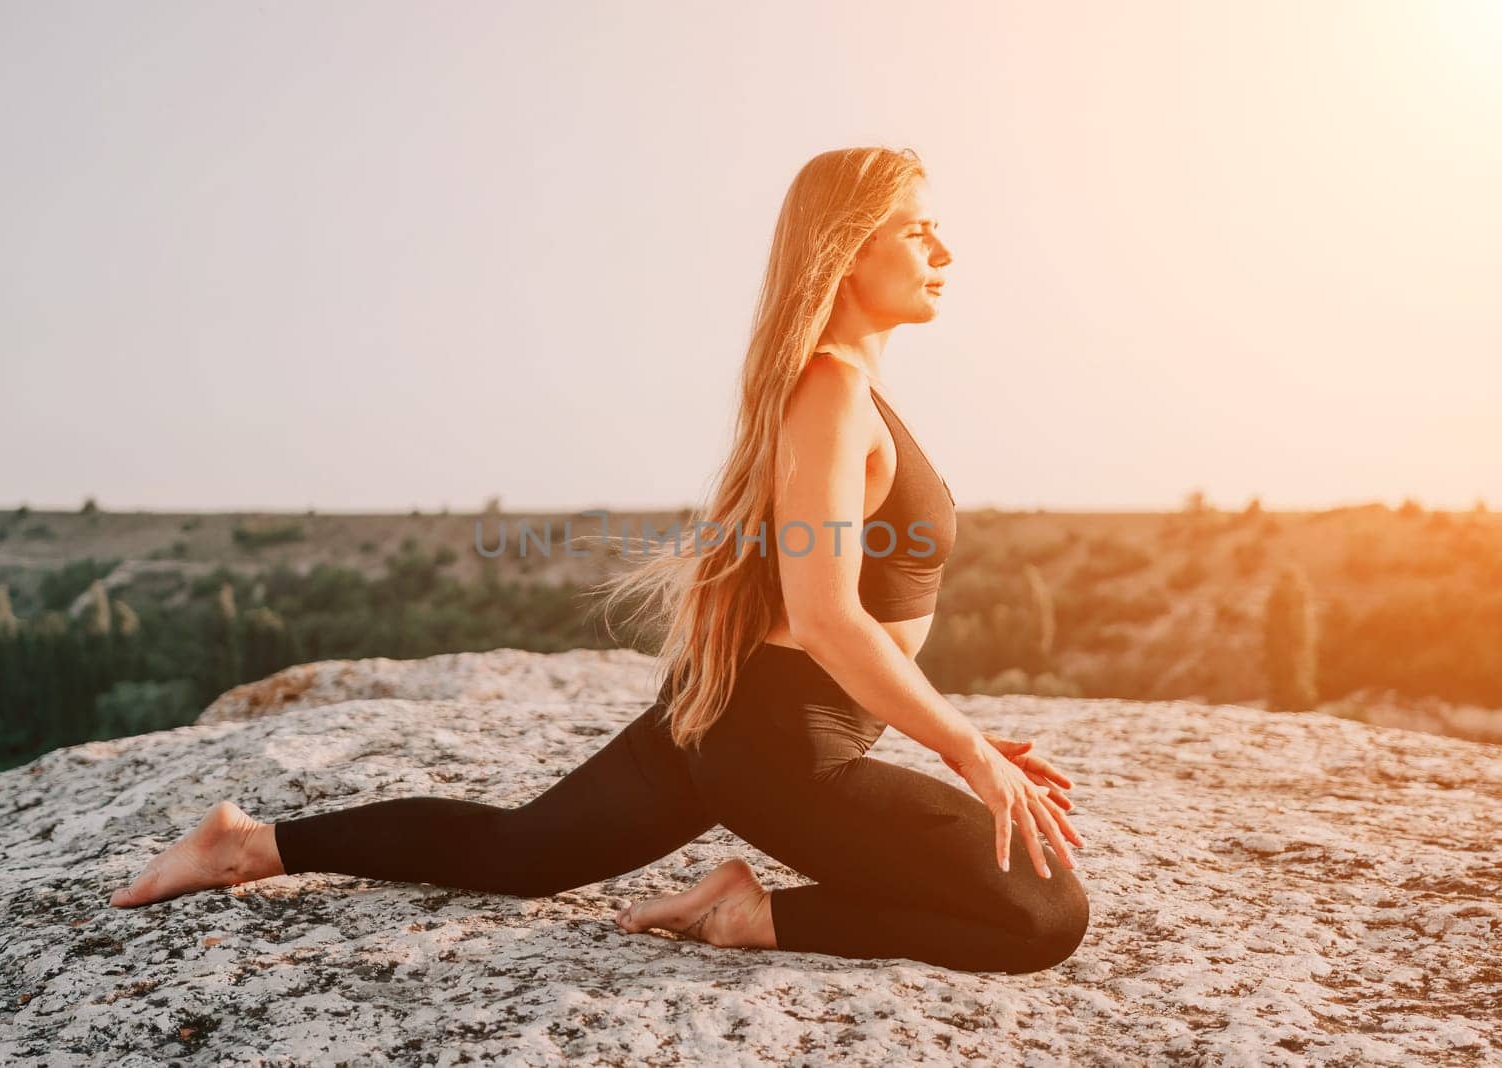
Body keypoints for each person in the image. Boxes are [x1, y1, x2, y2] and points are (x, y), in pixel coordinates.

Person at [110, 146, 1091, 974]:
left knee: (521, 849)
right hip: (782, 745)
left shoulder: (838, 391)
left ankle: (247, 846)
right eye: (919, 230)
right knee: (1045, 916)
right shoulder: (830, 391)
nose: (944, 251)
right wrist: (960, 747)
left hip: (748, 722)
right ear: (849, 248)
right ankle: (752, 918)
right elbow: (829, 614)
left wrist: (950, 732)